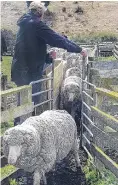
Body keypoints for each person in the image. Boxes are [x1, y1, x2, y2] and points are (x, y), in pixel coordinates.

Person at [11, 1, 87, 124]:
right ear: (40, 13)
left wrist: (46, 57)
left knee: (22, 105)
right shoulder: (36, 24)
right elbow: (58, 39)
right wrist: (79, 49)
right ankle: (24, 132)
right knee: (30, 105)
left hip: (20, 70)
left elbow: (27, 49)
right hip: (29, 72)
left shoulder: (24, 24)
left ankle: (19, 129)